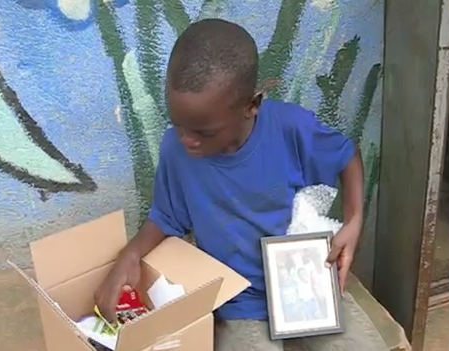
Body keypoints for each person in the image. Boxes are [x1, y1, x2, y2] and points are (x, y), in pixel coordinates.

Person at [94, 18, 390, 351]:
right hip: (240, 303)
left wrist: (354, 222)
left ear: (252, 105)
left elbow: (347, 155)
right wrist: (129, 255)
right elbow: (165, 217)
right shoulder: (176, 150)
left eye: (202, 132)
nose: (186, 140)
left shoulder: (289, 128)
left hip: (308, 286)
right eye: (178, 125)